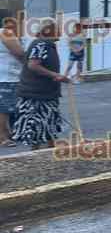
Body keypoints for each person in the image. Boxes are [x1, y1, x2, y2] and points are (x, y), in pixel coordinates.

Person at [12, 19, 69, 150]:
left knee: (48, 123)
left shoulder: (46, 45)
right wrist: (55, 75)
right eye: (57, 29)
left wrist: (57, 76)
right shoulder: (40, 44)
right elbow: (33, 65)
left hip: (45, 93)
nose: (60, 32)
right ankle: (37, 152)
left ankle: (50, 149)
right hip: (35, 94)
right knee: (36, 126)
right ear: (47, 30)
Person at [0, 11, 24, 147]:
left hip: (8, 76)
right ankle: (3, 137)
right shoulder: (6, 33)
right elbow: (19, 52)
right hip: (7, 77)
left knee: (7, 107)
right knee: (4, 109)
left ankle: (8, 133)